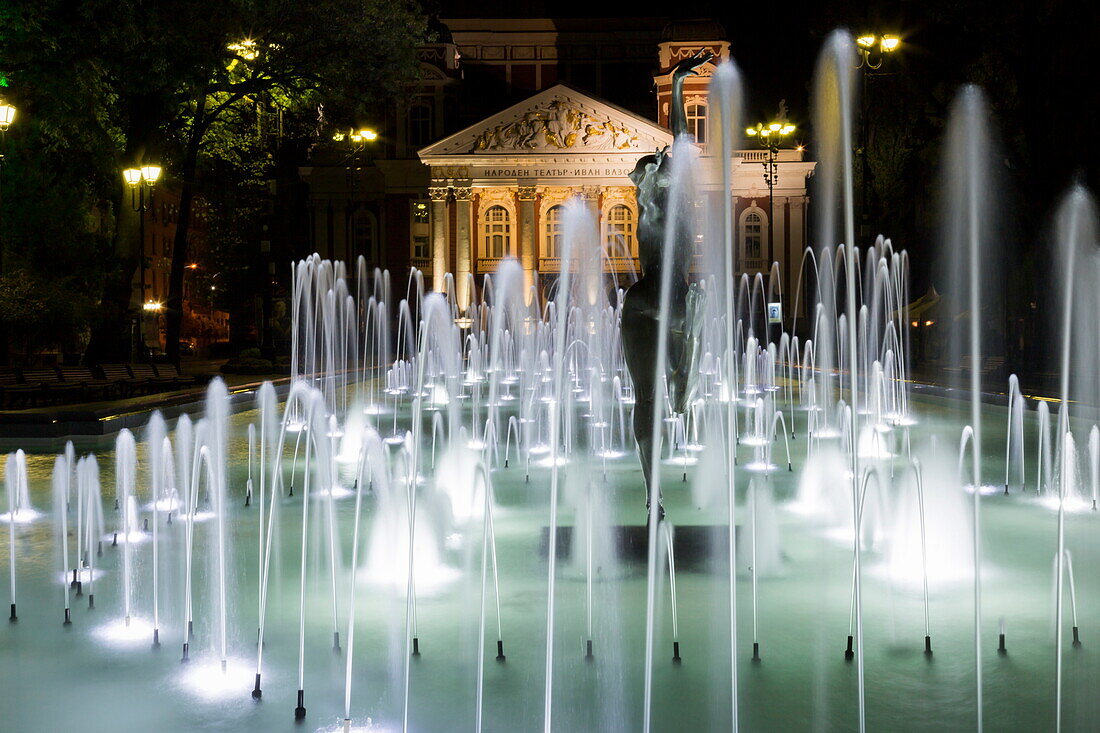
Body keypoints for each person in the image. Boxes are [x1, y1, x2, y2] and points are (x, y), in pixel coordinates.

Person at [621, 50, 711, 519]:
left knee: (643, 400)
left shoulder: (649, 209)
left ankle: (651, 493)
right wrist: (675, 84)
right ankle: (683, 379)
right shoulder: (670, 208)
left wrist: (676, 84)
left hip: (641, 302)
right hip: (669, 297)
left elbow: (677, 139)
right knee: (695, 308)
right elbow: (678, 139)